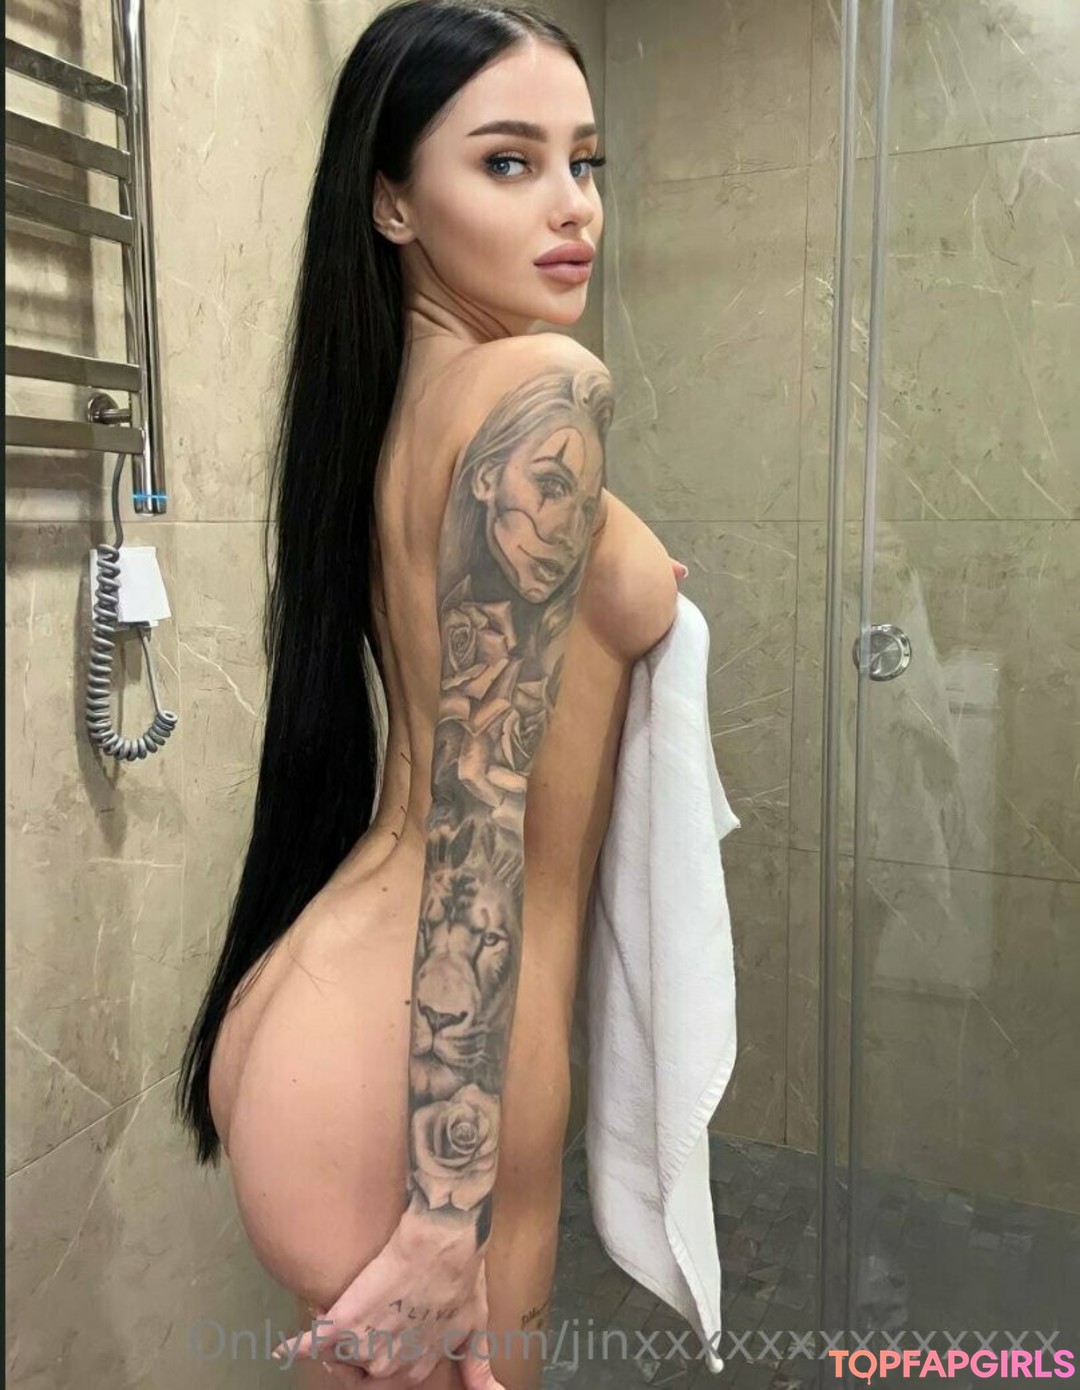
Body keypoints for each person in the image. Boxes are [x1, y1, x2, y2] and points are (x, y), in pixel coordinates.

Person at [175, 3, 686, 1385]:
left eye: (585, 161)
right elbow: (481, 813)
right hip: (427, 1063)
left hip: (334, 991)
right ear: (392, 201)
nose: (573, 204)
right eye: (509, 162)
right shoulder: (543, 389)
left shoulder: (408, 400)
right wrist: (448, 1208)